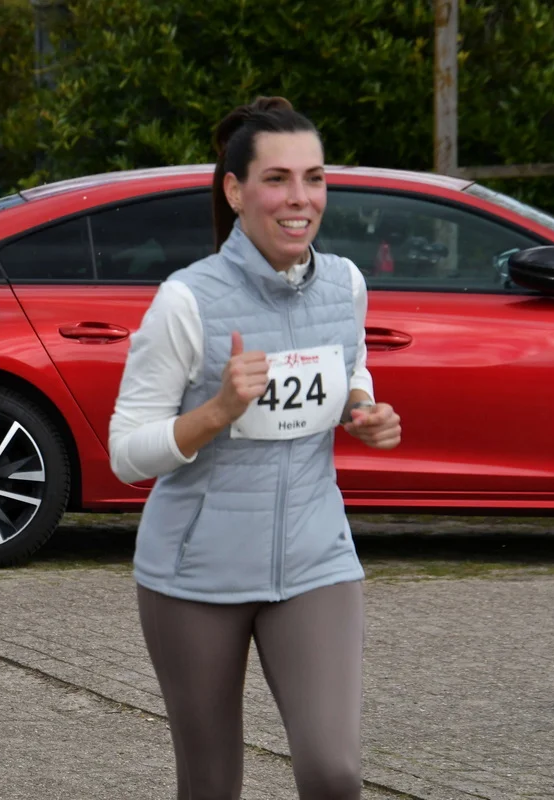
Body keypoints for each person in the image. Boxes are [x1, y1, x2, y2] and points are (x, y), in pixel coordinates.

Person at [108, 97, 402, 800]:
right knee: (211, 784)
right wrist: (217, 411)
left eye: (314, 178)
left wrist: (362, 410)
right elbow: (126, 453)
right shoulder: (185, 301)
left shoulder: (346, 283)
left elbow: (352, 369)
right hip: (195, 575)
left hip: (315, 560)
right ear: (236, 191)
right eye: (277, 179)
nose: (300, 198)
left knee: (334, 774)